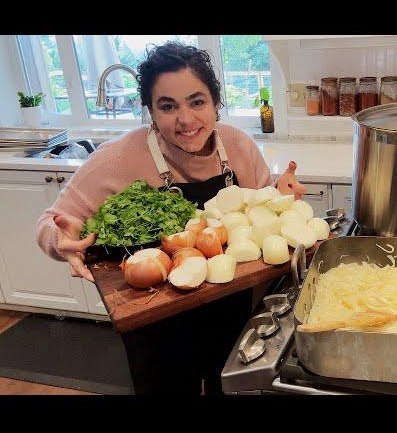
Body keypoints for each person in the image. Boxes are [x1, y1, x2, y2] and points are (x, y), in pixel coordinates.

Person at [35, 42, 307, 394]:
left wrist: (278, 196)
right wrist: (63, 239)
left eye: (197, 102)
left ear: (215, 103)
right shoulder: (118, 158)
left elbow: (259, 208)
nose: (186, 120)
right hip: (156, 327)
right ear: (151, 111)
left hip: (235, 313)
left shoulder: (238, 146)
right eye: (168, 106)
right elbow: (51, 222)